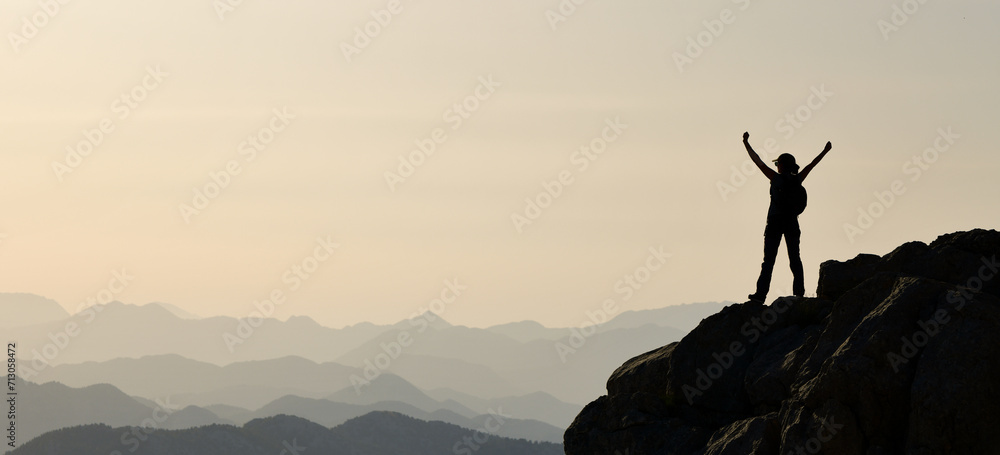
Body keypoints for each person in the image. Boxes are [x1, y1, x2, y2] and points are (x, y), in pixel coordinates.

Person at [743, 132, 831, 303]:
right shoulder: (798, 179)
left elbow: (757, 161)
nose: (776, 166)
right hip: (792, 222)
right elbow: (812, 164)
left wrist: (746, 143)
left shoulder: (775, 179)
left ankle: (760, 296)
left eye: (777, 164)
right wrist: (825, 151)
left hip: (775, 222)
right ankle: (799, 294)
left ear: (781, 166)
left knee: (768, 261)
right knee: (795, 259)